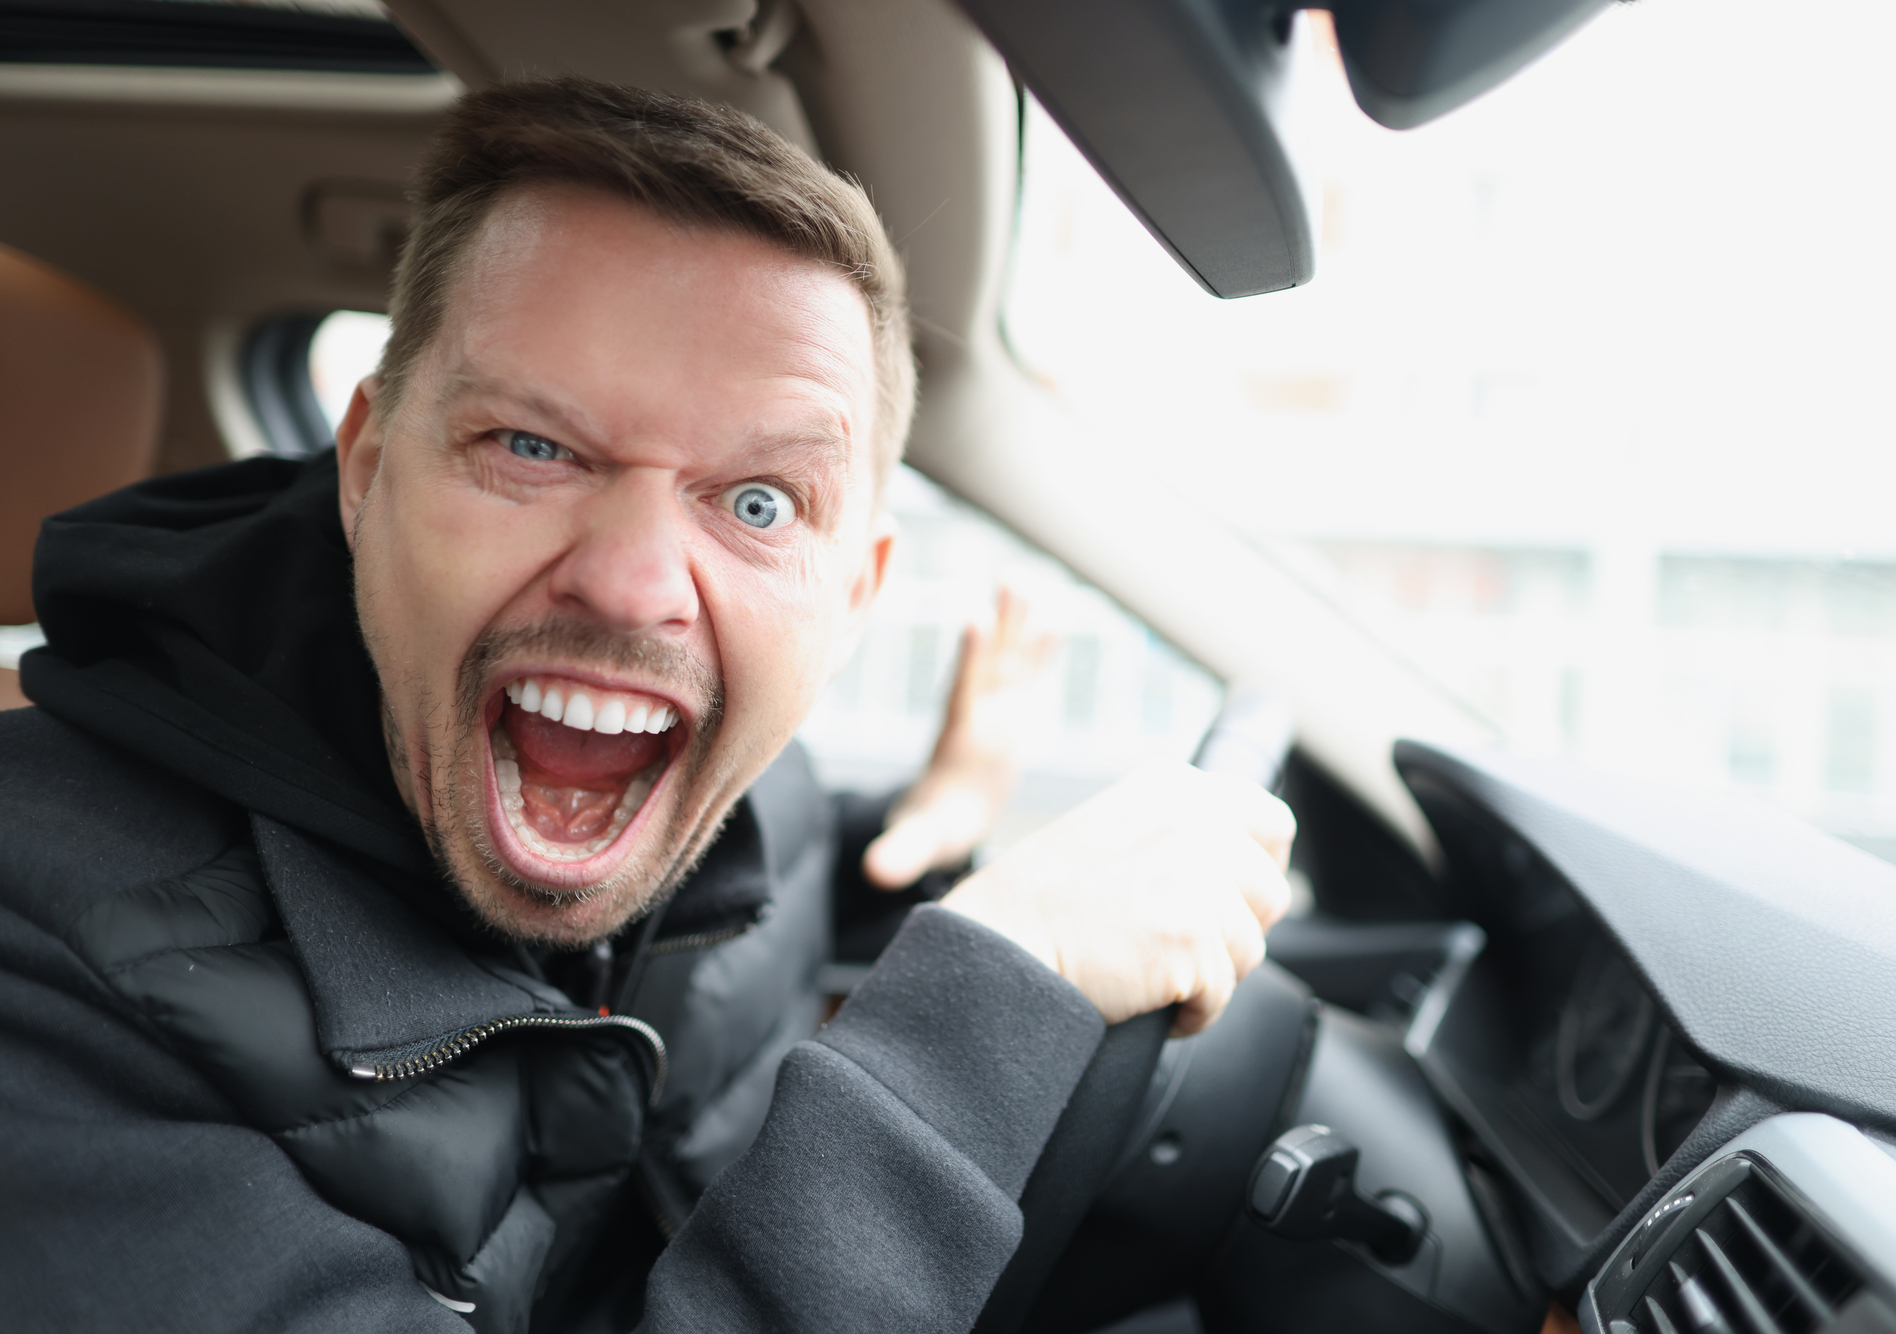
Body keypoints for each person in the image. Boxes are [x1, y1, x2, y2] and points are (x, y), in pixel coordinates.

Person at [0, 78, 1293, 1333]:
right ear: (368, 466)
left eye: (759, 501)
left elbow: (753, 896)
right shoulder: (44, 960)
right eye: (531, 446)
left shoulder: (728, 782)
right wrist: (993, 1000)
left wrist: (933, 823)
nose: (631, 590)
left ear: (855, 596)